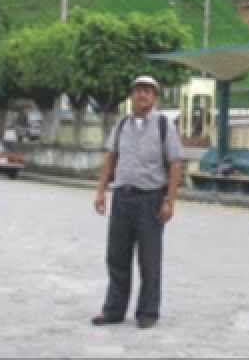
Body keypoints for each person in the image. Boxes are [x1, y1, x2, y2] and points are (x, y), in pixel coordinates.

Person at [91, 75, 184, 330]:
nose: (143, 95)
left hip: (151, 199)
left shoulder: (165, 125)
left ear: (155, 98)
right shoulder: (121, 125)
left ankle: (148, 312)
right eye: (139, 91)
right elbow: (110, 158)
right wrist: (101, 192)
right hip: (122, 196)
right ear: (131, 95)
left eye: (148, 92)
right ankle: (114, 310)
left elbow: (175, 164)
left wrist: (170, 201)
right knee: (117, 256)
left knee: (149, 259)